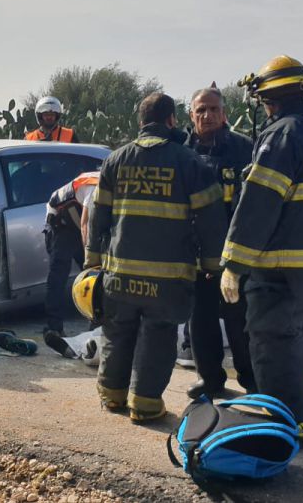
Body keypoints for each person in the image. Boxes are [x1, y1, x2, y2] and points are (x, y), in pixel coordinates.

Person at [221, 56, 303, 440]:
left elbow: (259, 202)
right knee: (298, 340)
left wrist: (234, 263)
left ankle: (285, 426)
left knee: (273, 344)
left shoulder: (284, 134)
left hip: (279, 266)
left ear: (270, 101)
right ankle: (298, 418)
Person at [85, 92, 227, 423]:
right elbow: (210, 220)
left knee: (117, 332)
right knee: (158, 337)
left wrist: (93, 261)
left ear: (141, 122)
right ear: (172, 121)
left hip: (119, 273)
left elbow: (97, 214)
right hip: (167, 277)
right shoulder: (190, 162)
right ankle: (146, 405)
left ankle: (112, 395)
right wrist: (211, 264)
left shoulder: (116, 160)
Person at [184, 85, 256, 399]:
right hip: (195, 253)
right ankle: (210, 380)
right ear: (191, 115)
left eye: (214, 109)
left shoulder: (244, 148)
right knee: (201, 322)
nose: (208, 116)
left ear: (225, 114)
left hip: (234, 254)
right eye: (201, 110)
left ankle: (252, 380)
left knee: (241, 321)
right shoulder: (181, 152)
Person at [41, 170, 99, 341]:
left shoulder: (117, 186)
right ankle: (54, 328)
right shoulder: (96, 188)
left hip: (78, 218)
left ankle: (96, 327)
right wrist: (91, 258)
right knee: (59, 277)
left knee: (96, 279)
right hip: (61, 224)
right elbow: (85, 225)